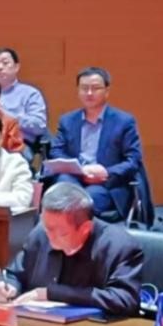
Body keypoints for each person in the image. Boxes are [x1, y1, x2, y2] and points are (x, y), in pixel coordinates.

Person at [0, 182, 142, 314]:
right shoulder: (40, 234)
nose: (50, 237)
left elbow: (125, 300)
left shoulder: (119, 246)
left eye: (61, 233)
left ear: (85, 228)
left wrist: (51, 293)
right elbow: (14, 274)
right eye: (47, 228)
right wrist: (5, 286)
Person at [47, 67, 143, 221]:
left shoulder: (124, 122)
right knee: (63, 190)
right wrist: (79, 169)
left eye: (95, 88)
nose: (89, 93)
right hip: (74, 177)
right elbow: (56, 151)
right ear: (78, 91)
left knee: (83, 203)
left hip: (106, 184)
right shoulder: (67, 120)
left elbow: (133, 160)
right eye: (84, 88)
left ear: (107, 91)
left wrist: (106, 172)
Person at [0, 47, 48, 144]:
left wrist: (7, 116)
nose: (0, 67)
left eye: (5, 63)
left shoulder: (30, 93)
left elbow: (39, 126)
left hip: (18, 144)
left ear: (16, 67)